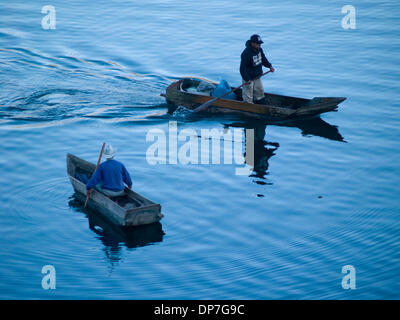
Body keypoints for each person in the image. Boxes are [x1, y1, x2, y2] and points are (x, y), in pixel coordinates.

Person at [240, 34, 275, 104]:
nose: (259, 45)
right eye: (258, 44)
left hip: (257, 75)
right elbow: (242, 69)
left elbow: (263, 59)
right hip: (248, 77)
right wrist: (247, 79)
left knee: (259, 92)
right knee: (248, 94)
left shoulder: (259, 49)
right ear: (252, 43)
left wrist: (269, 66)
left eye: (260, 43)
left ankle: (260, 104)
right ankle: (248, 105)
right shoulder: (245, 53)